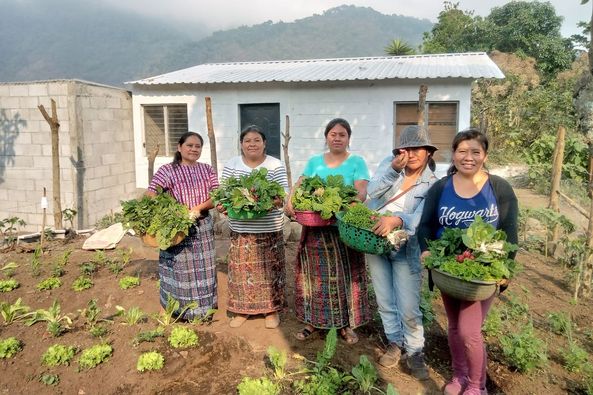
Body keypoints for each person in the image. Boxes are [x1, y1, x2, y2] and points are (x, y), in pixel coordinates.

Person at [417, 129, 518, 395]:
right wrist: (426, 251)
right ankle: (459, 376)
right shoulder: (441, 187)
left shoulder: (499, 188)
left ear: (484, 155)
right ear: (453, 154)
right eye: (462, 151)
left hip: (483, 270)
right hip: (448, 268)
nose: (468, 157)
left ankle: (477, 386)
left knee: (469, 330)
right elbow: (425, 226)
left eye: (475, 151)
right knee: (453, 326)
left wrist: (505, 268)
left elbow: (510, 231)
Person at [285, 117, 370, 345]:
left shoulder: (357, 162)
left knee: (344, 278)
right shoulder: (315, 162)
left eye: (342, 134)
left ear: (348, 138)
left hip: (343, 230)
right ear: (326, 137)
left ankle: (345, 325)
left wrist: (347, 204)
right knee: (314, 278)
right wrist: (290, 200)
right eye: (333, 134)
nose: (337, 138)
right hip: (315, 230)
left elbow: (361, 191)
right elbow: (301, 184)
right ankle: (312, 322)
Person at [366, 125, 438, 380]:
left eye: (418, 148)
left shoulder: (432, 183)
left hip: (407, 248)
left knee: (408, 305)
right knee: (385, 300)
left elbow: (422, 217)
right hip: (374, 242)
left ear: (429, 152)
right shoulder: (390, 164)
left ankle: (415, 350)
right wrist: (393, 169)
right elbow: (372, 192)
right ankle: (395, 342)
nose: (412, 153)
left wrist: (397, 219)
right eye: (406, 148)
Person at [218, 125, 289, 329]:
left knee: (270, 271)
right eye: (248, 140)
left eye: (257, 140)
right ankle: (242, 310)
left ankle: (271, 311)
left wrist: (265, 203)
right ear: (241, 144)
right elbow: (225, 193)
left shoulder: (275, 165)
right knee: (242, 272)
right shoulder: (232, 164)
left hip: (269, 228)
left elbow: (282, 195)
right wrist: (224, 205)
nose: (252, 144)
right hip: (241, 228)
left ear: (264, 143)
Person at [147, 131, 219, 320]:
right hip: (175, 228)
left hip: (201, 225)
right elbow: (151, 194)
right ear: (179, 147)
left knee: (203, 270)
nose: (194, 149)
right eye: (190, 145)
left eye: (198, 146)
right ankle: (171, 309)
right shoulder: (167, 170)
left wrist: (197, 208)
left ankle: (201, 313)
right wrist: (172, 214)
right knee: (175, 269)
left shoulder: (207, 169)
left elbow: (217, 196)